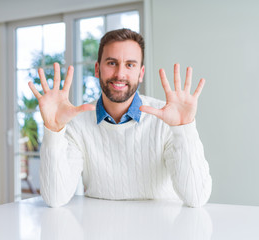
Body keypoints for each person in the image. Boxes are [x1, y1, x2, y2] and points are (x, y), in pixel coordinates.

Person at [28, 28, 212, 208]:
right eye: (111, 63)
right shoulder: (78, 123)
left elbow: (196, 197)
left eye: (130, 65)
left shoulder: (166, 119)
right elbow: (54, 198)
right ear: (97, 69)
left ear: (141, 73)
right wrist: (53, 130)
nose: (120, 74)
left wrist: (184, 129)